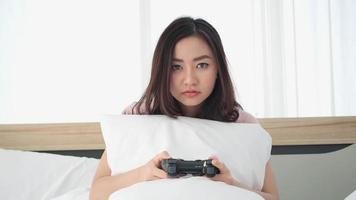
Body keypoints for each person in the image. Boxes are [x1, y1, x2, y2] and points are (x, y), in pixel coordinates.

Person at [89, 16, 279, 200]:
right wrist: (143, 173)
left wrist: (231, 184)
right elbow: (96, 193)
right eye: (176, 67)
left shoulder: (242, 124)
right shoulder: (137, 117)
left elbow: (273, 198)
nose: (189, 80)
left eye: (202, 65)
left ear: (218, 70)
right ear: (162, 70)